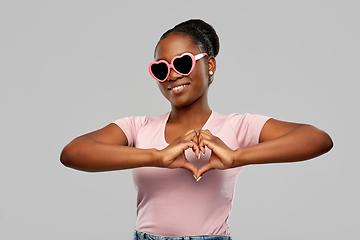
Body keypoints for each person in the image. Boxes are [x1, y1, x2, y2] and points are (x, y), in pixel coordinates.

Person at [60, 19, 333, 240]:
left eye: (182, 63)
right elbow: (72, 153)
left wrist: (236, 157)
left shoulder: (235, 126)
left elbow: (317, 139)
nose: (172, 75)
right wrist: (157, 156)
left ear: (209, 64)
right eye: (160, 69)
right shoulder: (138, 127)